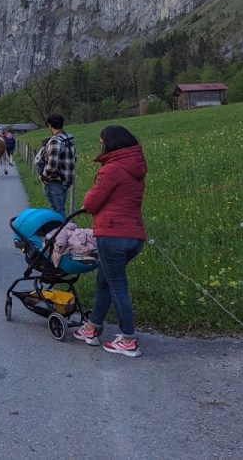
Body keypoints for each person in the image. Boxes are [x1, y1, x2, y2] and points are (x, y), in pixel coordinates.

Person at [73, 125, 148, 357]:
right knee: (105, 282)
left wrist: (88, 198)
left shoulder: (111, 170)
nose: (100, 146)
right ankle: (92, 328)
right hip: (134, 236)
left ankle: (128, 339)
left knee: (117, 287)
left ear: (109, 143)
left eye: (101, 141)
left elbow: (92, 202)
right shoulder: (135, 167)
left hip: (112, 235)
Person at [40, 113, 76, 215]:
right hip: (67, 180)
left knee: (57, 212)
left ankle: (60, 230)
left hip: (56, 181)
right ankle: (62, 229)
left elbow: (52, 165)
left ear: (50, 126)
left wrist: (43, 177)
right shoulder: (69, 138)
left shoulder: (55, 141)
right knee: (60, 210)